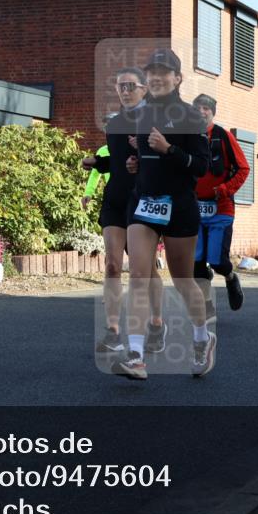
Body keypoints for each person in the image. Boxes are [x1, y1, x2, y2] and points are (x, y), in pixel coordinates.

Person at [110, 49, 213, 381]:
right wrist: (135, 164)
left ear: (177, 78)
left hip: (180, 206)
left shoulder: (191, 116)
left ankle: (202, 338)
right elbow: (142, 158)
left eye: (163, 72)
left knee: (183, 282)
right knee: (138, 275)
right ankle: (137, 356)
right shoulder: (140, 115)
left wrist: (169, 149)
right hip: (144, 204)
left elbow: (200, 166)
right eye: (151, 72)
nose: (156, 77)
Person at [82, 68, 165, 354]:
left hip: (143, 200)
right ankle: (113, 331)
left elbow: (163, 161)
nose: (125, 91)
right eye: (120, 87)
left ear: (144, 89)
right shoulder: (114, 124)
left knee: (145, 268)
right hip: (116, 199)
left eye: (131, 86)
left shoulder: (155, 120)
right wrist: (97, 163)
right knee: (113, 265)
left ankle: (156, 322)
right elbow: (117, 164)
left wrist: (142, 158)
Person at [191, 93, 249, 321]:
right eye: (198, 108)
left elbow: (243, 169)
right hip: (194, 209)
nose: (202, 111)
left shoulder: (223, 136)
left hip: (221, 209)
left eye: (206, 108)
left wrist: (225, 189)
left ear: (212, 112)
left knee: (217, 261)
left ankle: (230, 277)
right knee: (196, 263)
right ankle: (207, 306)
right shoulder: (187, 137)